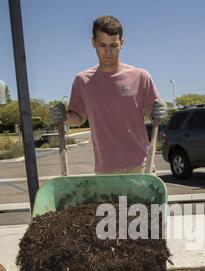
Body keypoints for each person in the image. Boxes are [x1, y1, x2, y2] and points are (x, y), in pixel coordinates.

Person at [50, 15, 166, 174]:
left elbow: (155, 116)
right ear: (93, 43)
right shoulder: (82, 81)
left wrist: (159, 112)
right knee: (113, 201)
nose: (108, 52)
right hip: (105, 170)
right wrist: (63, 117)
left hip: (140, 166)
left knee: (141, 201)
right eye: (102, 45)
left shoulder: (140, 76)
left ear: (122, 44)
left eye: (113, 45)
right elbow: (78, 118)